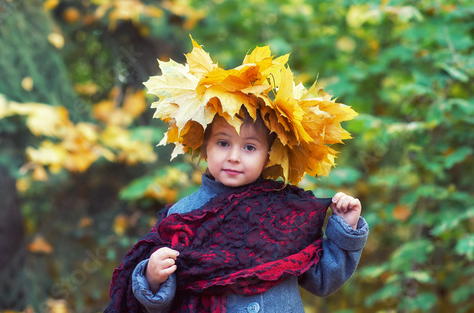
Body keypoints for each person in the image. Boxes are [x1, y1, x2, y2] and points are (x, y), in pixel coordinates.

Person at [105, 38, 369, 313]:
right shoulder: (184, 215)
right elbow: (165, 304)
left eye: (250, 147)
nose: (234, 156)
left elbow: (324, 281)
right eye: (223, 143)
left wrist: (345, 230)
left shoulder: (286, 213)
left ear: (268, 155)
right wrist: (153, 277)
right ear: (204, 146)